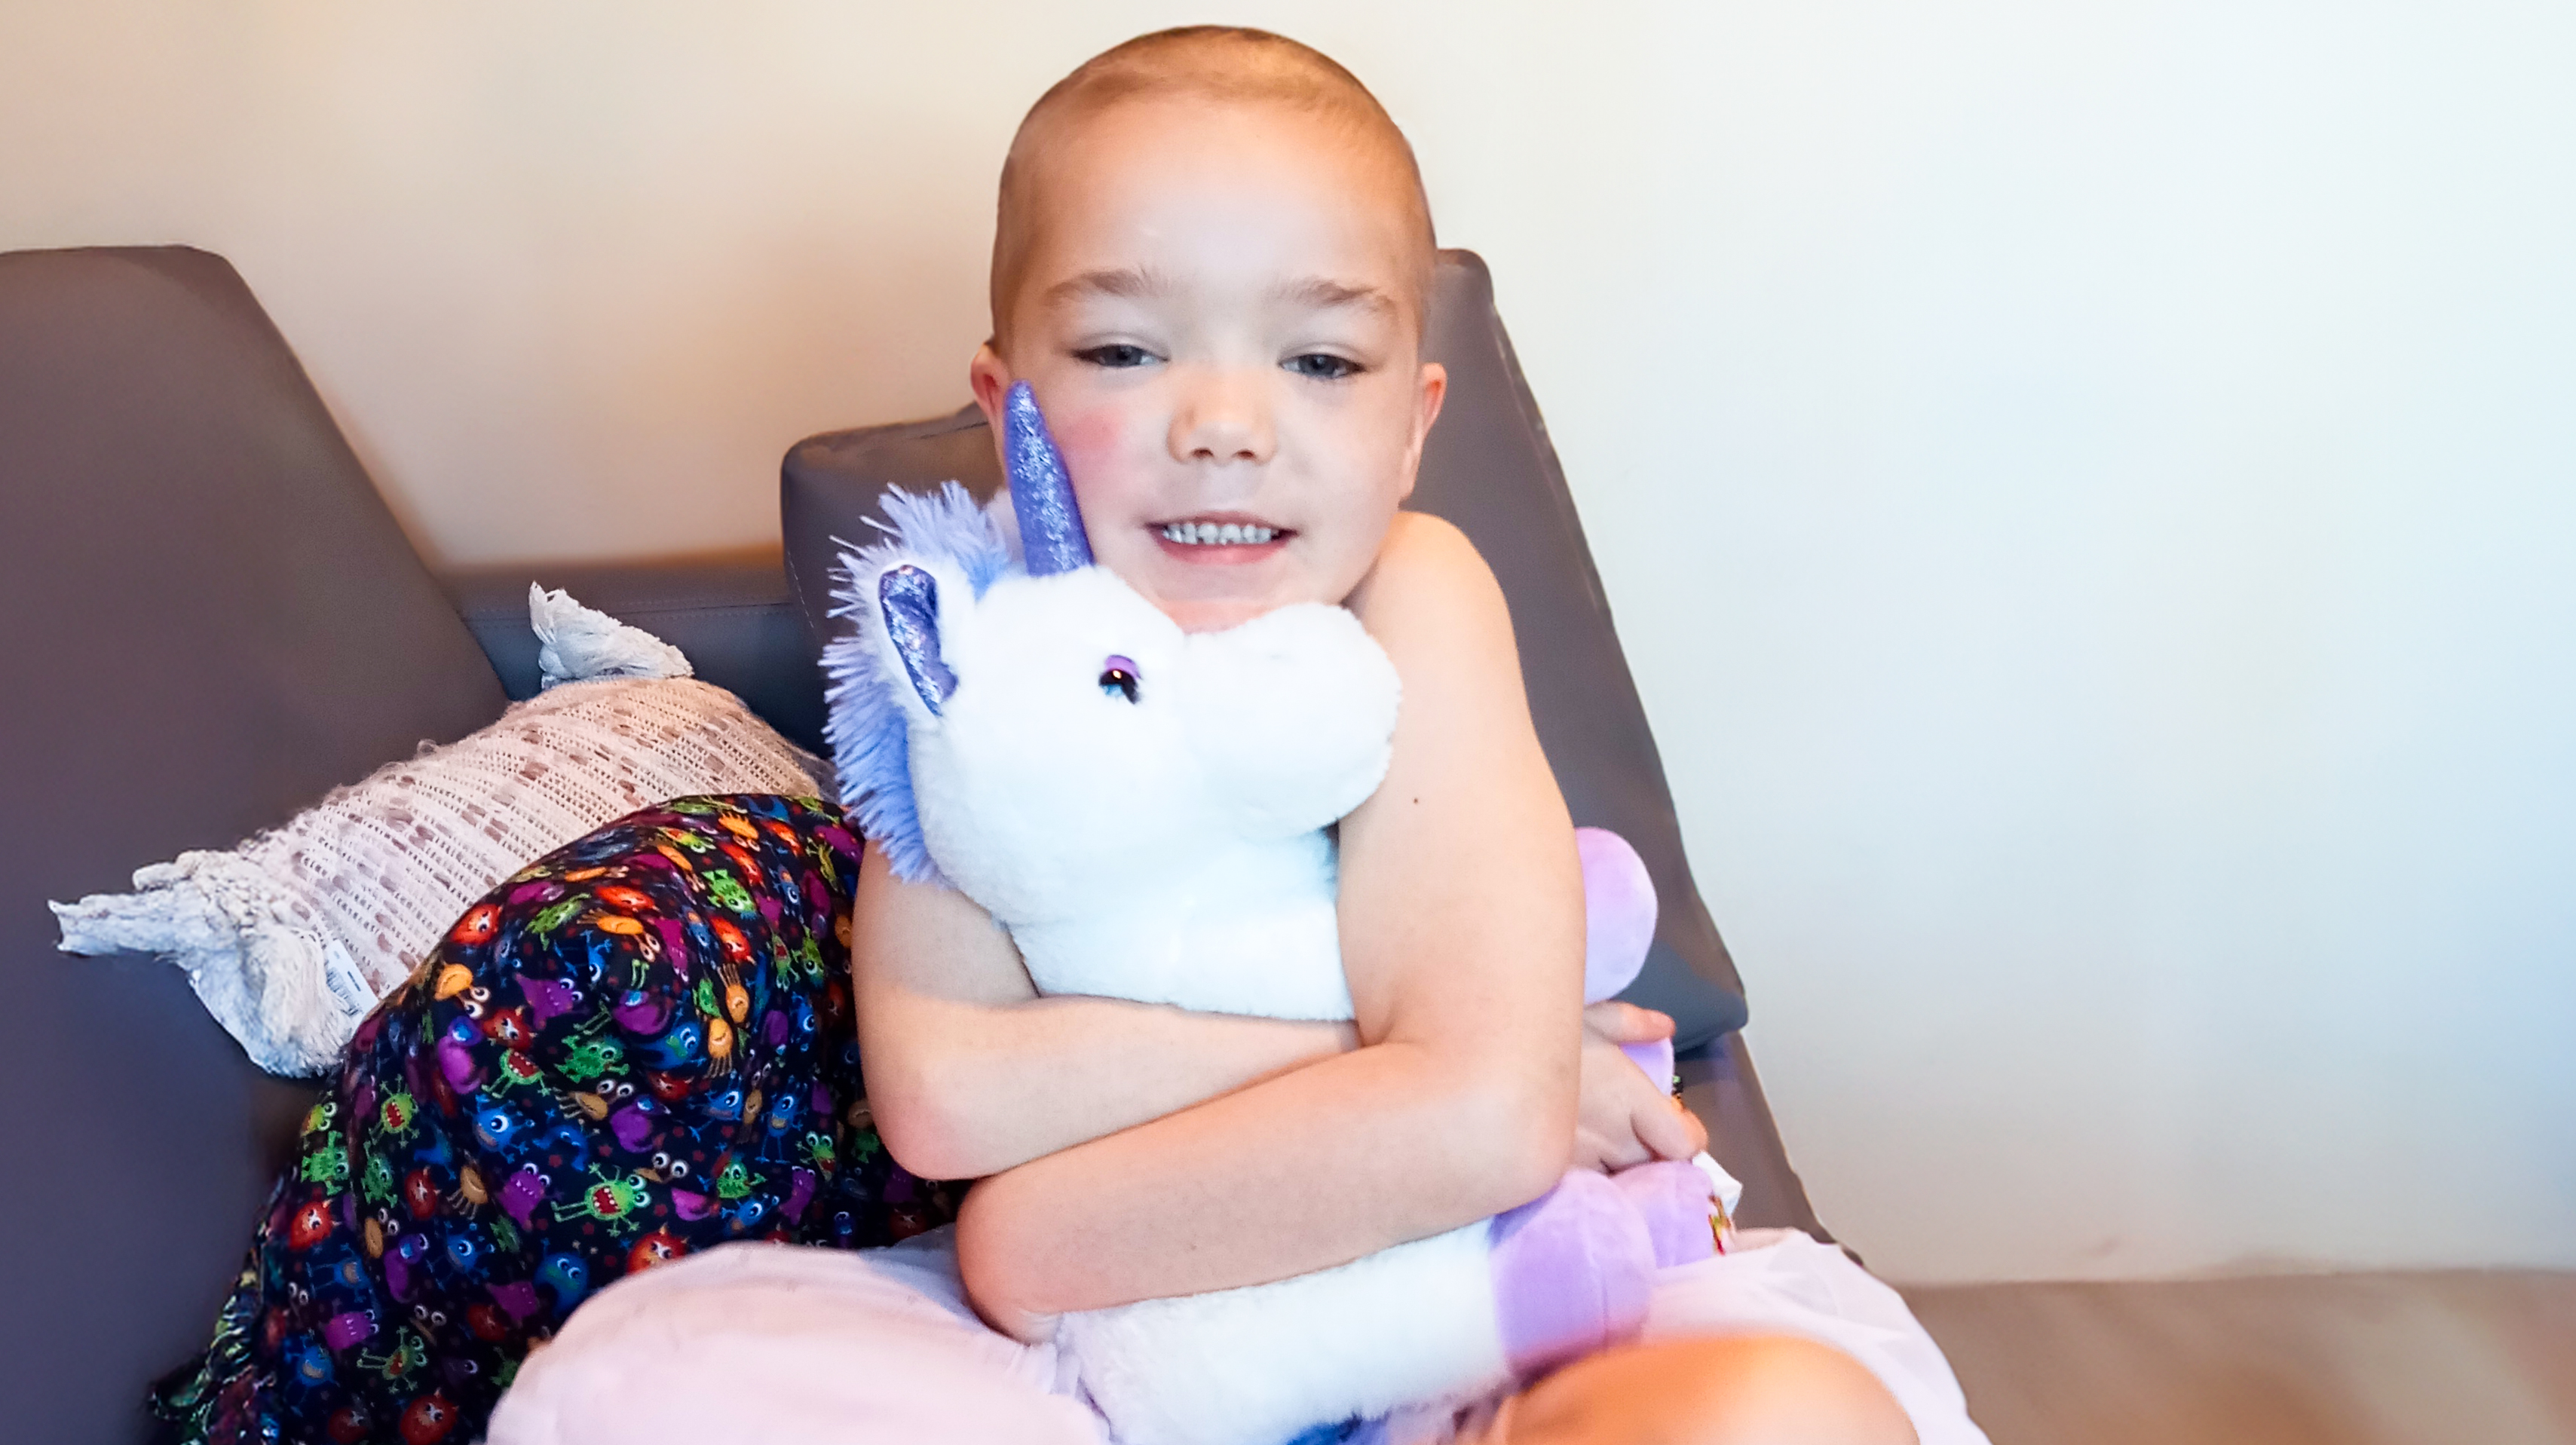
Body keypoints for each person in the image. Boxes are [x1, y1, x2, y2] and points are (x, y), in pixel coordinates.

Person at [499, 26, 1980, 1445]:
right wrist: (1409, 1052)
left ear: (1410, 420)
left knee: (1784, 1413)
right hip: (1095, 1355)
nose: (1222, 420)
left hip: (1477, 1310)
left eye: (1321, 362)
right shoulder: (972, 644)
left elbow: (1478, 1128)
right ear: (1005, 403)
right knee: (658, 1400)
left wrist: (1055, 1215)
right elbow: (946, 1093)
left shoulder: (1417, 592)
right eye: (1126, 349)